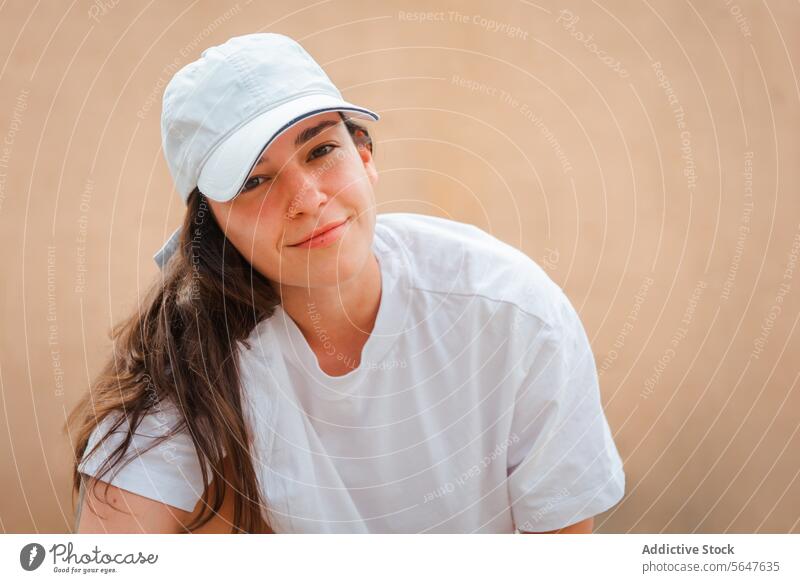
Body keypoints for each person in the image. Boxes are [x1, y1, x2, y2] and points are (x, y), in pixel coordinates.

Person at [68, 32, 625, 534]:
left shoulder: (509, 310)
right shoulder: (196, 369)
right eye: (255, 181)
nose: (308, 200)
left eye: (322, 150)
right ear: (213, 227)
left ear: (364, 156)